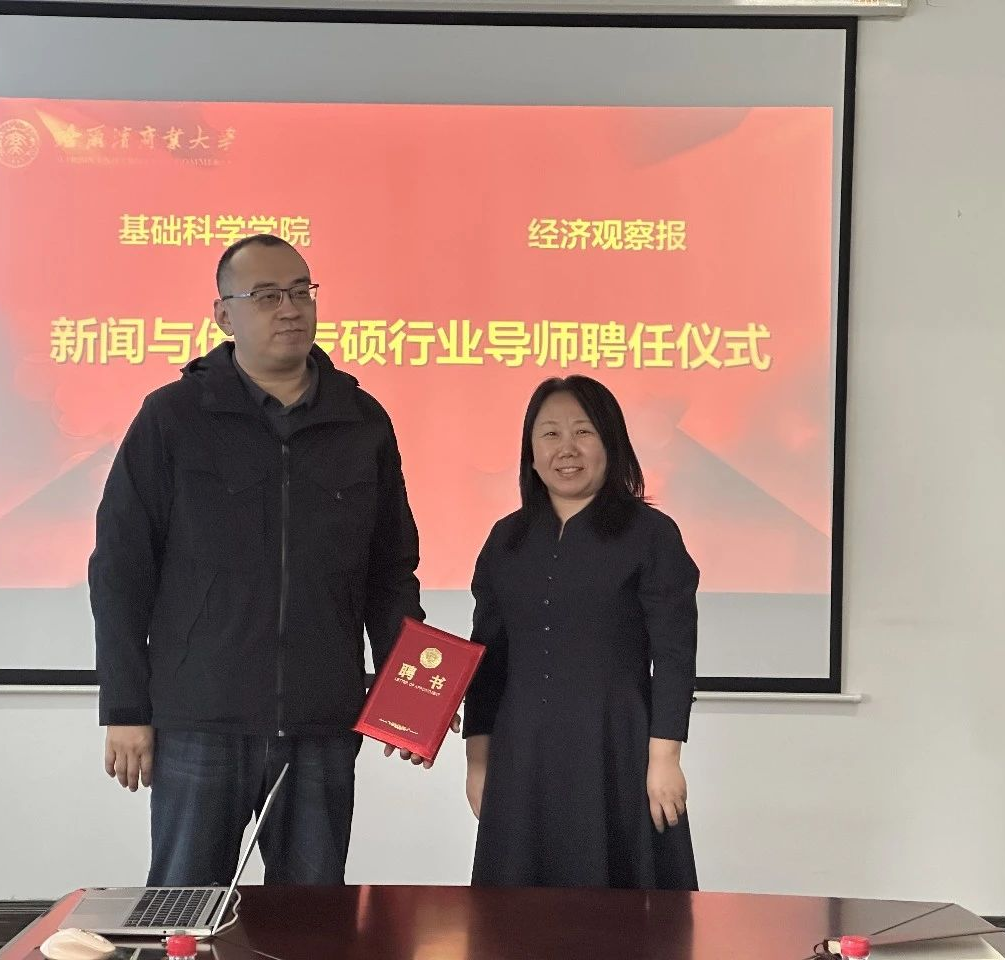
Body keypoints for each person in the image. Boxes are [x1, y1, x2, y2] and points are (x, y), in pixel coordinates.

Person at [88, 234, 424, 886]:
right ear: (224, 315)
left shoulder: (361, 422)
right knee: (185, 912)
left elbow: (390, 569)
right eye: (267, 296)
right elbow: (120, 570)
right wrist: (125, 707)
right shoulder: (174, 417)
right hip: (200, 719)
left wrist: (408, 695)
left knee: (311, 920)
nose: (290, 309)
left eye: (301, 292)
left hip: (321, 722)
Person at [462, 375, 699, 889]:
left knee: (623, 909)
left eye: (583, 432)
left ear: (611, 443)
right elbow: (487, 659)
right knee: (516, 914)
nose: (566, 448)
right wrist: (477, 762)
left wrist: (665, 760)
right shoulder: (506, 539)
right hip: (522, 755)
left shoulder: (651, 535)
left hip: (617, 749)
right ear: (530, 452)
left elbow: (674, 656)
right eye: (550, 434)